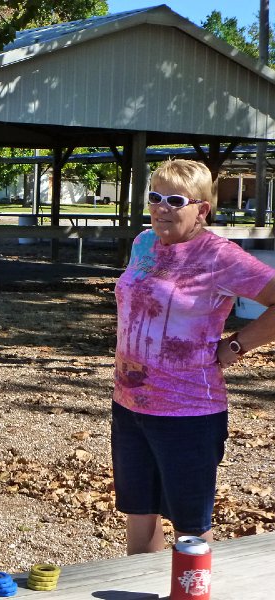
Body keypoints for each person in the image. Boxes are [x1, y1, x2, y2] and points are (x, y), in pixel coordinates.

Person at [113, 159, 275, 554]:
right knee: (139, 513)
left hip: (188, 411)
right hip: (129, 403)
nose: (161, 207)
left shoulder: (219, 256)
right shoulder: (143, 242)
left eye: (174, 199)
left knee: (190, 529)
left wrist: (235, 346)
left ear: (201, 208)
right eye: (155, 197)